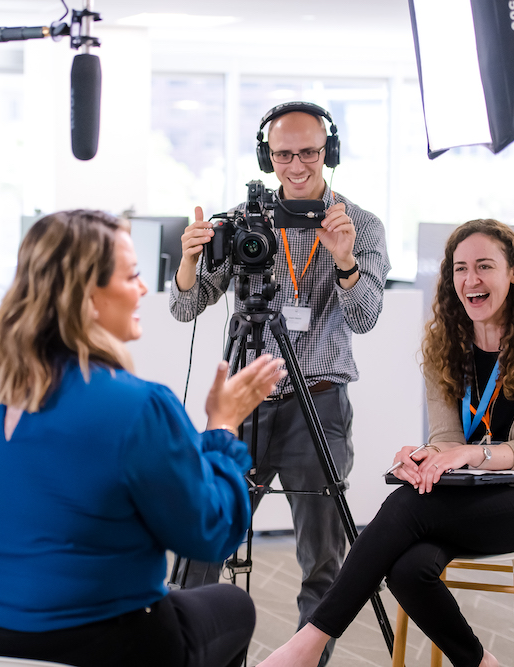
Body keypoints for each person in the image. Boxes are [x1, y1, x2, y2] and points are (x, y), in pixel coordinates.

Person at [0, 210, 287, 667]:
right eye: (133, 275)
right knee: (233, 606)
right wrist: (222, 425)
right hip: (96, 643)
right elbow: (213, 534)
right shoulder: (138, 406)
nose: (142, 289)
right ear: (89, 296)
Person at [258, 219, 514, 667]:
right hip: (467, 494)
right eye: (460, 268)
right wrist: (429, 455)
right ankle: (481, 664)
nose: (471, 280)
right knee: (407, 570)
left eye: (485, 266)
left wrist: (467, 454)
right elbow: (446, 437)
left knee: (407, 507)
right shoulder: (447, 341)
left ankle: (307, 645)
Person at [169, 101, 391, 666]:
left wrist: (345, 263)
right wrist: (189, 262)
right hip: (247, 403)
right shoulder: (243, 221)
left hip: (320, 403)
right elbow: (184, 307)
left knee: (323, 559)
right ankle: (193, 655)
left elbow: (365, 317)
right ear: (267, 156)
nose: (296, 164)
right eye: (283, 153)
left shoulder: (359, 226)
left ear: (329, 153)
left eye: (309, 152)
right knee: (204, 536)